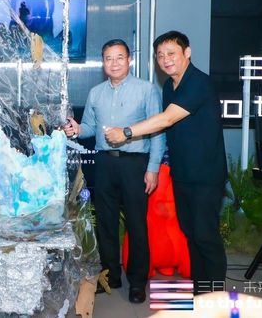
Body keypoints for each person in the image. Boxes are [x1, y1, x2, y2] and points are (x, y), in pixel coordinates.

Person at [105, 31, 228, 294]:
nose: (165, 59)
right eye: (160, 55)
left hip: (205, 176)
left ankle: (216, 296)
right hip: (182, 174)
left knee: (206, 236)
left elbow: (167, 119)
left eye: (171, 53)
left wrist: (127, 132)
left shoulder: (198, 82)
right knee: (191, 234)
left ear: (187, 52)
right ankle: (201, 292)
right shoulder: (170, 87)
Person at [64, 39, 165, 304]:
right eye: (108, 58)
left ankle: (137, 282)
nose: (114, 63)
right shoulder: (96, 93)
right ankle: (111, 276)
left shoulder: (147, 90)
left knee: (136, 224)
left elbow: (158, 132)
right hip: (104, 164)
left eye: (119, 57)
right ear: (103, 63)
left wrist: (153, 168)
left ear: (129, 60)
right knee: (106, 223)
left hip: (135, 164)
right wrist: (77, 129)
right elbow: (89, 127)